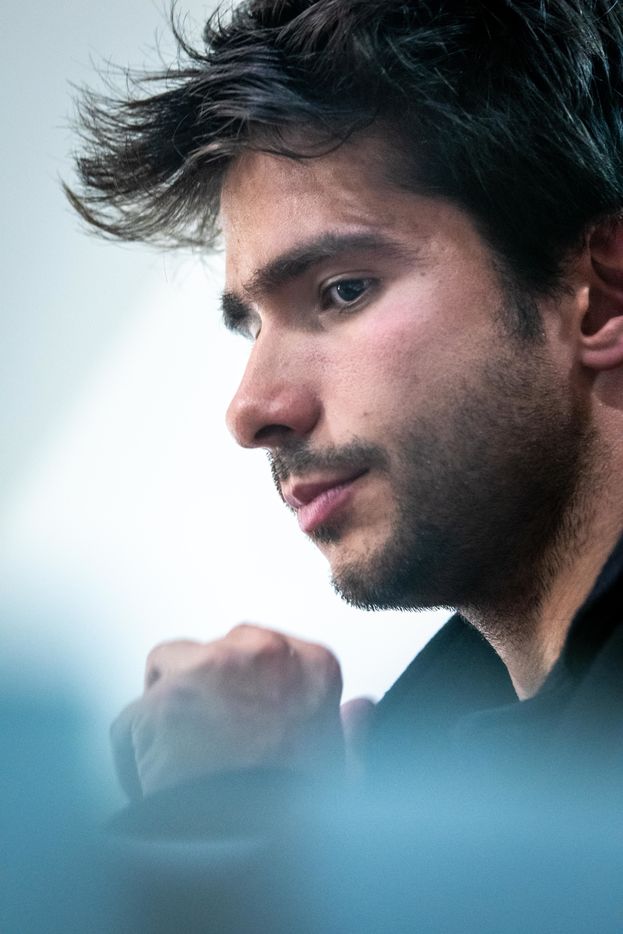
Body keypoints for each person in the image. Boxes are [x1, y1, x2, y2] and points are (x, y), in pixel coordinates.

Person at [67, 1, 623, 929]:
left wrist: (235, 821)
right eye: (250, 325)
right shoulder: (448, 779)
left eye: (342, 290)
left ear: (602, 295)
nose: (252, 410)